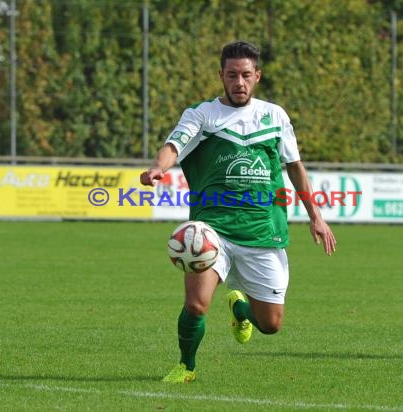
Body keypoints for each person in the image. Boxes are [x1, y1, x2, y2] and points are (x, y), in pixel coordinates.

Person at [140, 40, 336, 384]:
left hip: (263, 231)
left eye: (246, 75)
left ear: (257, 75)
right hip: (211, 229)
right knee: (196, 305)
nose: (239, 82)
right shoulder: (202, 115)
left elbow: (295, 167)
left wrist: (316, 216)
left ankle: (240, 308)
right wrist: (159, 167)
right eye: (232, 75)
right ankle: (186, 366)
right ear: (221, 76)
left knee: (271, 325)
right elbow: (174, 145)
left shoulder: (275, 116)